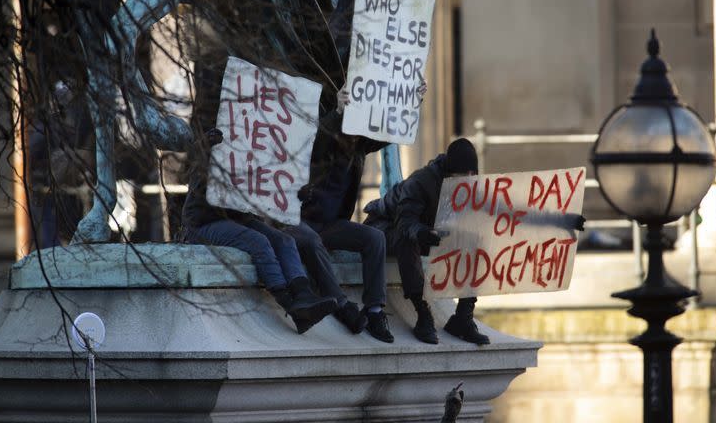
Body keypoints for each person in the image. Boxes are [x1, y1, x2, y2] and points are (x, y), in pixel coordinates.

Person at [364, 138, 587, 345]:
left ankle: (463, 318)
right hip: (386, 226)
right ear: (451, 173)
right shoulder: (421, 182)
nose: (469, 181)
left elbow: (513, 211)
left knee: (474, 239)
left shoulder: (470, 186)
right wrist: (421, 232)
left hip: (427, 232)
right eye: (464, 176)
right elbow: (405, 223)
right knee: (407, 241)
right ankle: (422, 312)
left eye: (473, 176)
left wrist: (563, 220)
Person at [181, 60, 337, 335]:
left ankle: (304, 296)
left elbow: (270, 183)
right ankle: (290, 304)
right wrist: (207, 148)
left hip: (239, 216)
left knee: (284, 239)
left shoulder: (261, 144)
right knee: (259, 242)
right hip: (203, 222)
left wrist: (296, 190)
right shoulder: (213, 139)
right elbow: (195, 169)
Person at [295, 88, 396, 343]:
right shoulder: (323, 137)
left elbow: (393, 131)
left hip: (332, 224)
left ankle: (374, 310)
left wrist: (412, 100)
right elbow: (319, 138)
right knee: (312, 243)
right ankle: (340, 306)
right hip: (303, 220)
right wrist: (338, 112)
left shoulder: (360, 144)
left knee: (375, 238)